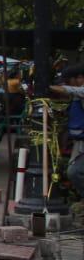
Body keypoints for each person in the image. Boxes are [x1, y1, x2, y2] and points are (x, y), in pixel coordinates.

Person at [49, 64, 84, 197]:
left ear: (79, 78)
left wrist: (48, 87)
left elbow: (70, 91)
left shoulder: (80, 91)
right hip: (79, 142)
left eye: (68, 81)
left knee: (74, 171)